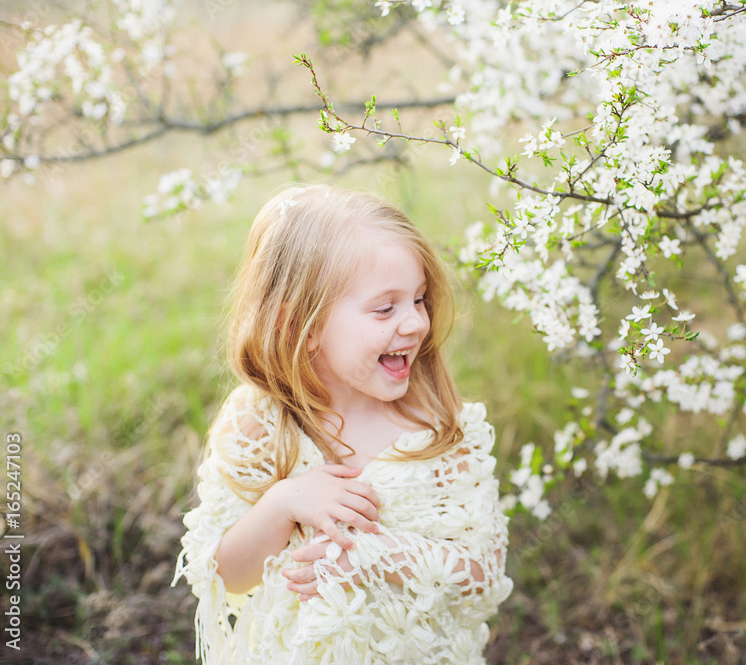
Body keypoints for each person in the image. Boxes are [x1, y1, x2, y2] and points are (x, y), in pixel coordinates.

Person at [173, 184, 513, 664]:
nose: (416, 323)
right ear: (301, 328)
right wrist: (285, 502)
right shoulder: (261, 423)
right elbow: (224, 576)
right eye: (385, 307)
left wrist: (372, 558)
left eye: (419, 300)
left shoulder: (440, 425)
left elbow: (482, 574)